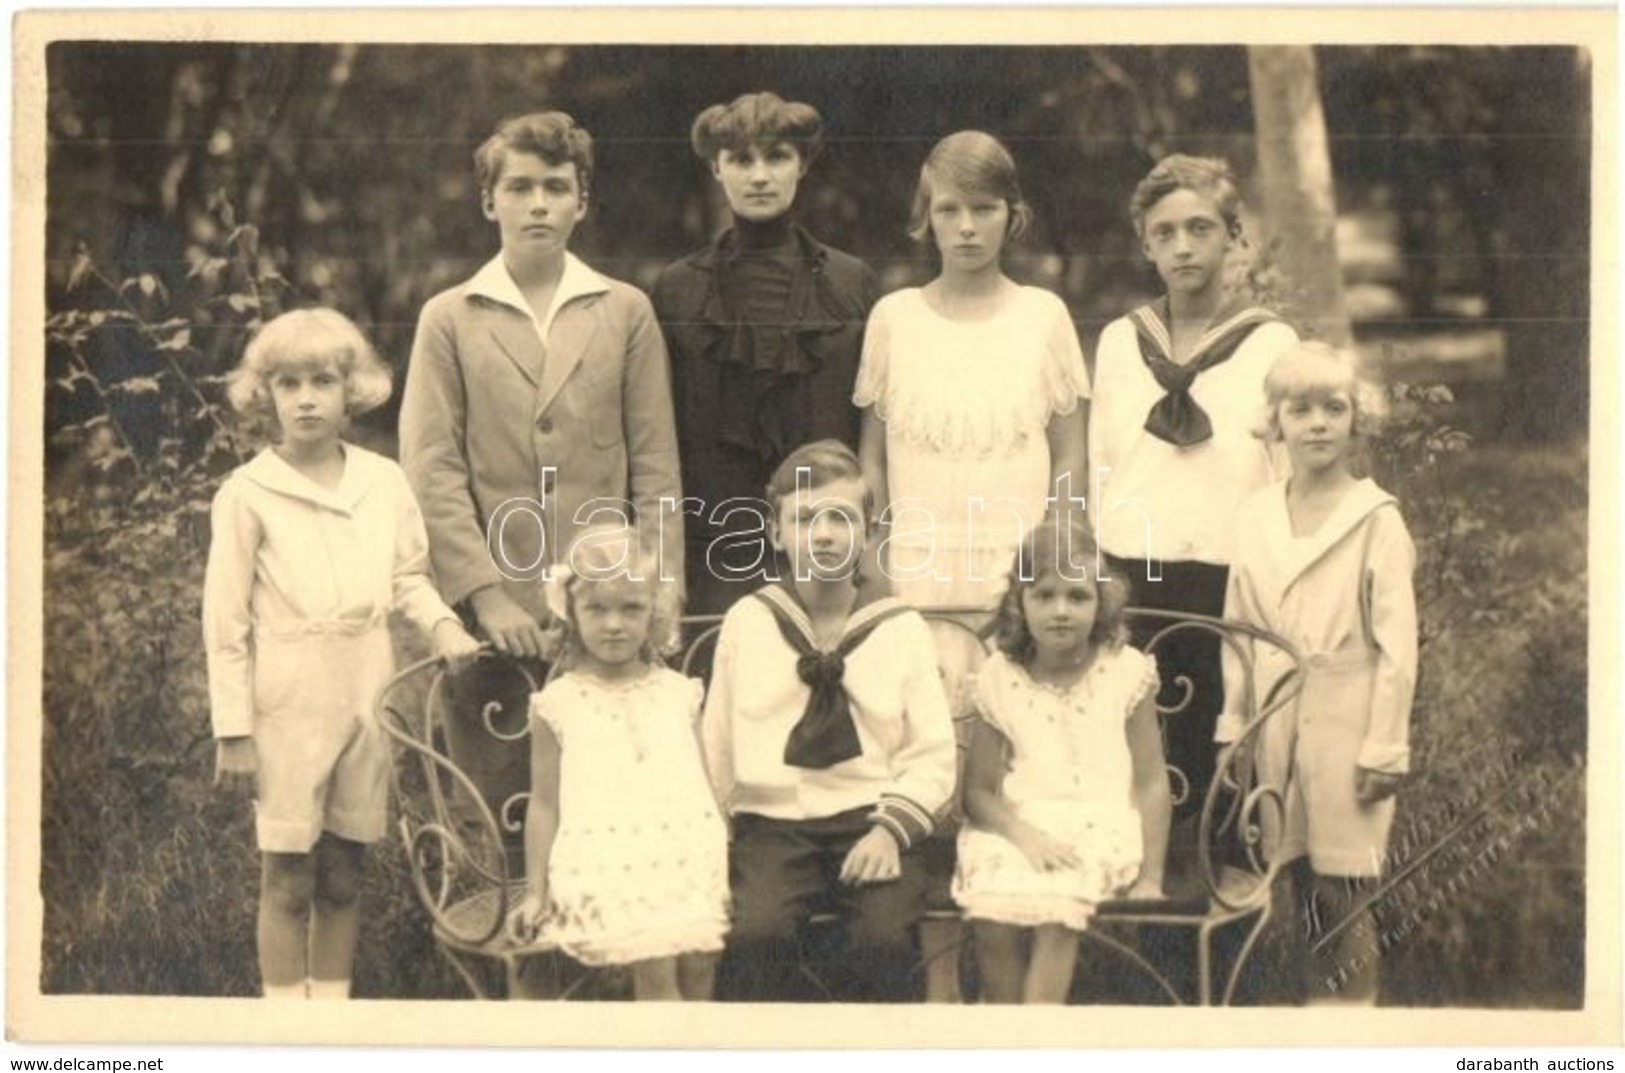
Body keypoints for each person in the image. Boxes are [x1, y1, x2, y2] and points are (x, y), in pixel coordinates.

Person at [399, 111, 683, 827]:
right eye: (518, 187)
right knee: (505, 811)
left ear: (581, 201)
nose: (537, 204)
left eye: (555, 188)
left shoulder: (624, 311)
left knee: (611, 807)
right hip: (499, 616)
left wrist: (656, 589)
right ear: (488, 199)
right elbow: (430, 465)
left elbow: (654, 466)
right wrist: (484, 593)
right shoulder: (450, 317)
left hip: (610, 609)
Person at [204, 309, 481, 999]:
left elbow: (407, 577)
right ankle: (284, 1022)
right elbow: (226, 621)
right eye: (288, 382)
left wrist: (444, 626)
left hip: (366, 683)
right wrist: (234, 728)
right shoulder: (248, 492)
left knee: (344, 870)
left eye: (322, 381)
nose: (305, 398)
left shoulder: (381, 481)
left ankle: (331, 1013)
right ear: (263, 393)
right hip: (288, 697)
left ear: (350, 389)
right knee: (288, 871)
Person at [1087, 154, 1300, 851]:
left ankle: (1227, 919)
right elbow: (1103, 462)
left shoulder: (1270, 342)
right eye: (1165, 231)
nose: (1183, 245)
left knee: (1223, 749)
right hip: (1135, 577)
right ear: (1145, 243)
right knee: (1138, 755)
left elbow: (1284, 472)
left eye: (1201, 228)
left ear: (1232, 236)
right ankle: (1139, 912)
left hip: (1229, 578)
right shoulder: (1121, 342)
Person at [701, 440, 957, 1002]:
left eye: (840, 518)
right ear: (776, 533)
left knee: (884, 940)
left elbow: (932, 752)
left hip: (872, 821)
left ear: (868, 531)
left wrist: (890, 831)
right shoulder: (749, 623)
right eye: (804, 518)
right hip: (772, 827)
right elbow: (714, 746)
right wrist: (712, 842)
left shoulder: (899, 628)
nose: (822, 535)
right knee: (755, 935)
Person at [1216, 342, 1417, 1006]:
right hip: (1276, 716)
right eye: (1298, 409)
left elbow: (1396, 648)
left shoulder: (1375, 520)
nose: (1317, 424)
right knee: (1293, 877)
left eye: (1334, 408)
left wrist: (1384, 744)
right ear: (1274, 423)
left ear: (1357, 420)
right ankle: (1311, 1024)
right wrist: (1236, 727)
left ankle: (1351, 1026)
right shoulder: (1253, 516)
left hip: (1346, 716)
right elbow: (1238, 630)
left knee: (1344, 886)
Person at [854, 130, 1089, 695]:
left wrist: (1053, 560)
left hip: (1014, 570)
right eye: (948, 209)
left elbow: (1070, 453)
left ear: (1012, 216)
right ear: (925, 217)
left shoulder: (1043, 316)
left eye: (984, 209)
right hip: (916, 569)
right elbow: (873, 457)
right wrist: (876, 563)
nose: (966, 227)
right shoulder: (894, 318)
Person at [653, 91, 880, 616]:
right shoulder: (677, 290)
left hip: (827, 545)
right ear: (716, 167)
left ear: (802, 164)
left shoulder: (852, 284)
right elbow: (659, 437)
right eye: (740, 159)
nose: (759, 176)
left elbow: (872, 431)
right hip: (714, 552)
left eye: (776, 157)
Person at [952, 511, 1171, 1003]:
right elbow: (979, 792)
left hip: (1102, 825)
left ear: (1102, 602)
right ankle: (1008, 1037)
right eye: (1044, 595)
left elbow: (1153, 782)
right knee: (991, 911)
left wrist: (1152, 876)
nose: (1061, 610)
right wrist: (1024, 836)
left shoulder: (1125, 672)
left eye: (1078, 596)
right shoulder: (999, 676)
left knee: (1057, 910)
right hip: (1018, 826)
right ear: (1019, 602)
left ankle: (1036, 1038)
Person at [508, 525, 728, 1000]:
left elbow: (704, 785)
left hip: (686, 853)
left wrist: (724, 848)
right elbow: (544, 805)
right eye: (597, 608)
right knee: (657, 969)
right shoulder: (558, 704)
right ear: (571, 612)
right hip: (604, 860)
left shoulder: (677, 693)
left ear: (654, 612)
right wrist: (534, 891)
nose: (614, 624)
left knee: (701, 962)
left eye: (632, 608)